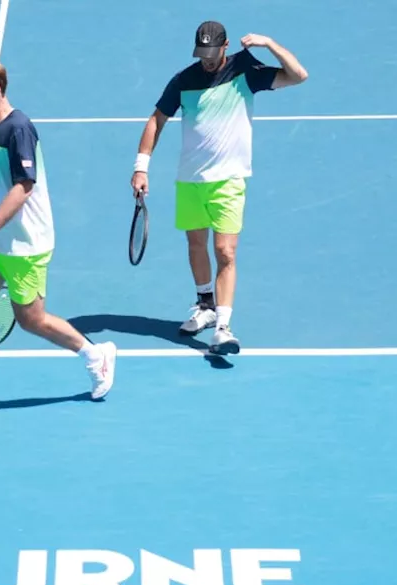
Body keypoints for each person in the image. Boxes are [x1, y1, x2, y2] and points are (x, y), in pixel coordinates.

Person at [0, 53, 117, 417]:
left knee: (31, 320)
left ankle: (95, 355)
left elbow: (24, 187)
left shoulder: (18, 128)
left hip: (24, 243)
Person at [131, 21, 308, 355]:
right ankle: (205, 305)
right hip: (191, 180)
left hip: (228, 181)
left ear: (225, 46)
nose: (207, 60)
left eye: (213, 53)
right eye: (202, 54)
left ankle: (223, 328)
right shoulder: (184, 80)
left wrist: (269, 43)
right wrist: (141, 168)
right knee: (196, 244)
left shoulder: (246, 70)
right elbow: (157, 120)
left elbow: (298, 75)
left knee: (225, 252)